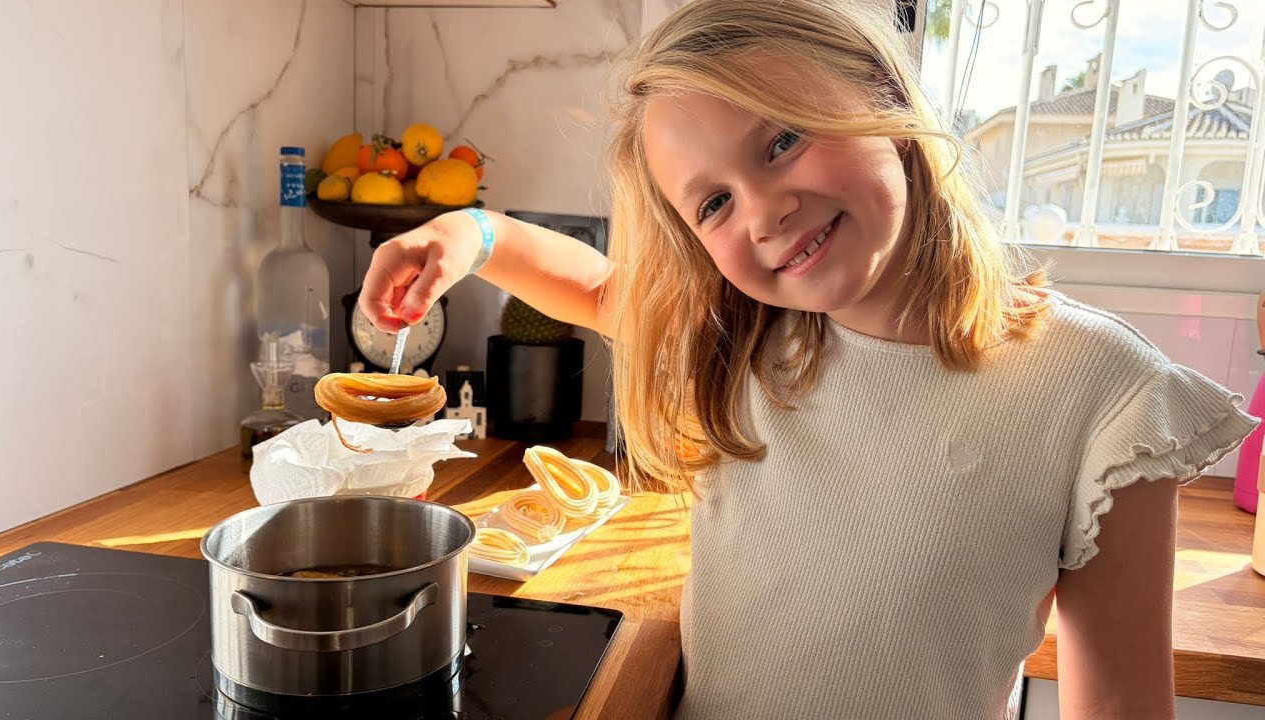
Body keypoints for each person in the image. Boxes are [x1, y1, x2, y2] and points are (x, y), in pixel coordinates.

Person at [358, 1, 1259, 717]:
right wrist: (463, 232)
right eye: (712, 204)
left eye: (783, 139)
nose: (764, 213)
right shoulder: (740, 343)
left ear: (881, 94)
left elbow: (1124, 705)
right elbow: (597, 291)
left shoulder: (1102, 394)